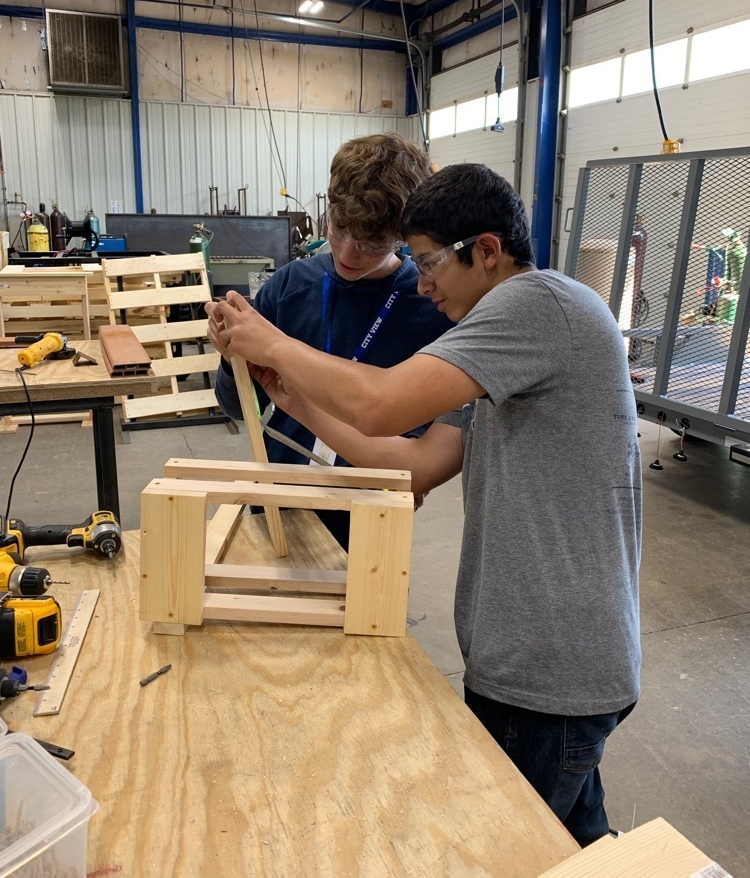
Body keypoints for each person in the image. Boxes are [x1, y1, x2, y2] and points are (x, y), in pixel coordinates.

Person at [206, 162, 642, 847]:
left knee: (513, 851)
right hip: (530, 661)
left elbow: (381, 404)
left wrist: (275, 343)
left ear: (488, 250)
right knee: (577, 843)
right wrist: (292, 398)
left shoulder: (536, 307)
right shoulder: (491, 351)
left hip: (548, 668)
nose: (422, 282)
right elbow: (413, 468)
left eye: (430, 261)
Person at [209, 132, 452, 547]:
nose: (347, 254)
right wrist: (233, 359)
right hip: (278, 502)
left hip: (371, 516)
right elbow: (236, 407)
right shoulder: (289, 287)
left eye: (372, 244)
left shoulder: (431, 309)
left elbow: (424, 453)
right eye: (339, 230)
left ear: (403, 236)